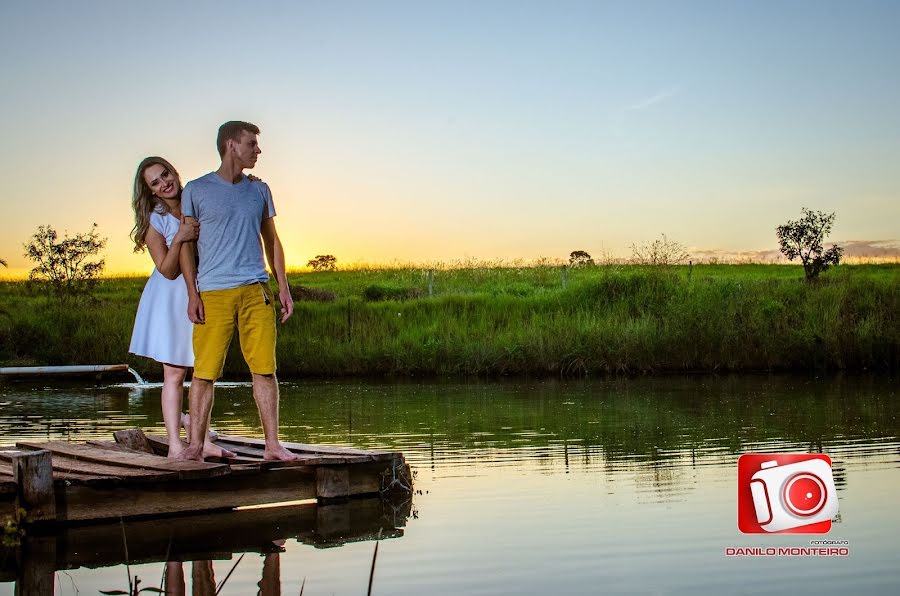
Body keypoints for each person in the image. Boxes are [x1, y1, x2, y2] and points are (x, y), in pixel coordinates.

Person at [177, 121, 299, 462]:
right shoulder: (196, 190)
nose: (257, 150)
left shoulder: (260, 190)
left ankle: (273, 446)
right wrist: (192, 293)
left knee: (264, 368)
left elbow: (272, 241)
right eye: (251, 144)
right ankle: (195, 448)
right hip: (213, 293)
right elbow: (186, 245)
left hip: (255, 290)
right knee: (204, 372)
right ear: (231, 145)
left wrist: (283, 288)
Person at [129, 156, 234, 459]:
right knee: (174, 372)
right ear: (150, 191)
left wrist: (247, 182)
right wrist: (179, 239)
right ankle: (176, 444)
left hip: (203, 290)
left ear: (174, 171)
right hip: (170, 297)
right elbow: (166, 269)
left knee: (204, 369)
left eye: (166, 174)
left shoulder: (197, 199)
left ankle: (200, 439)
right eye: (155, 182)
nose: (165, 183)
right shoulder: (154, 221)